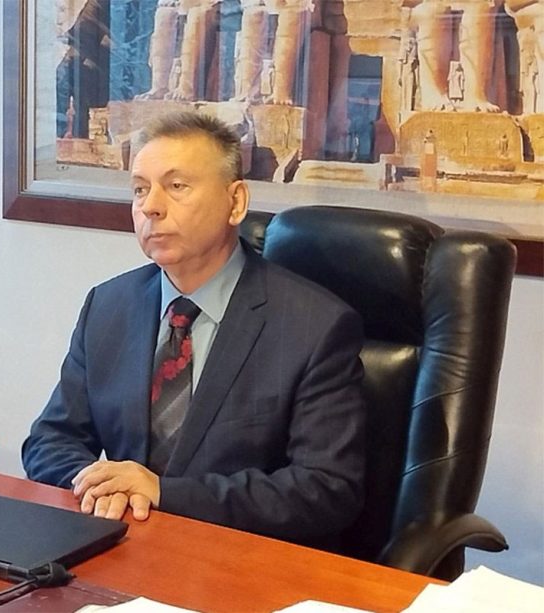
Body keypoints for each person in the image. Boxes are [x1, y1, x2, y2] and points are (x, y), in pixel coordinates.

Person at [21, 111, 366, 548]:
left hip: (240, 561)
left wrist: (164, 493)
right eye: (140, 189)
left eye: (176, 186)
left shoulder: (315, 325)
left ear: (235, 202)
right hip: (124, 549)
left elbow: (326, 489)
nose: (150, 206)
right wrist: (103, 486)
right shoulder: (108, 306)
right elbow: (50, 440)